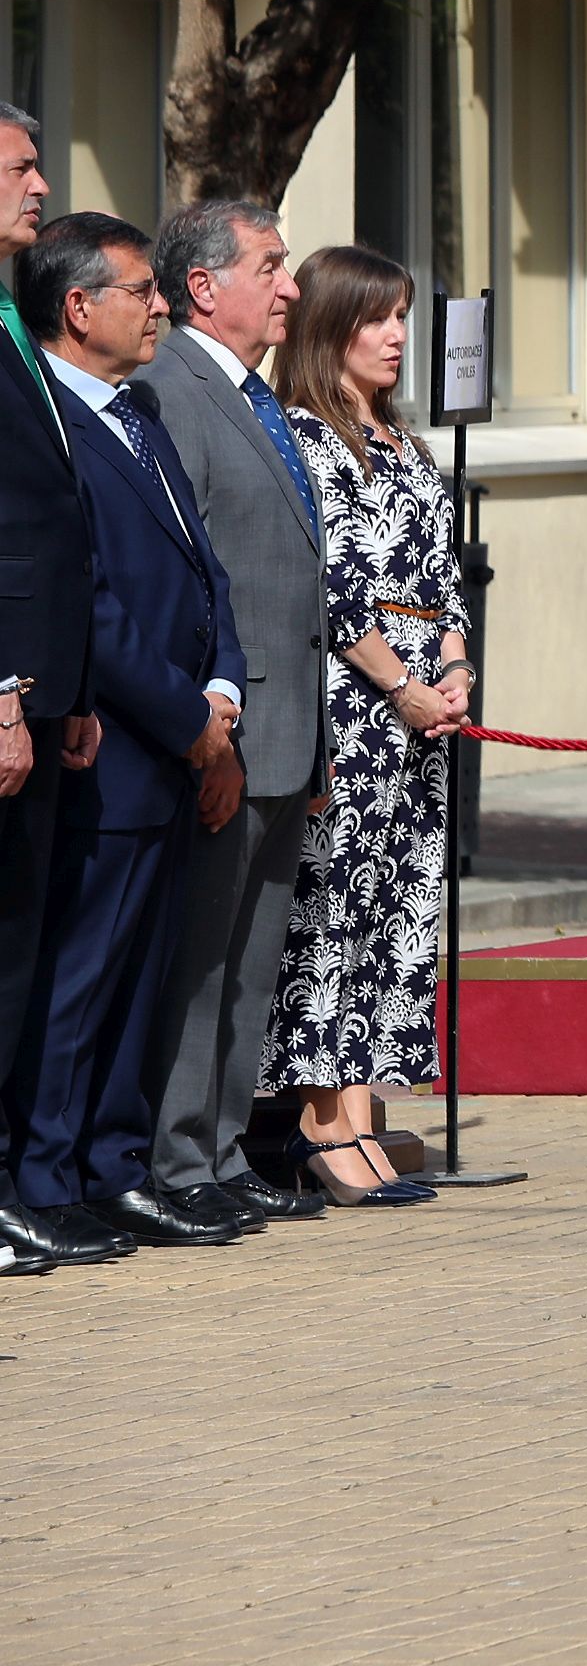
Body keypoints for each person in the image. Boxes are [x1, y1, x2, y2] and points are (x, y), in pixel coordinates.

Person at [3, 215, 248, 1253]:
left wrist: (225, 685)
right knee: (79, 973)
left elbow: (204, 566)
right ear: (78, 306)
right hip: (120, 739)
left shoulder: (139, 410)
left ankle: (112, 1162)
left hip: (184, 737)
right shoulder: (46, 416)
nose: (161, 307)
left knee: (140, 971)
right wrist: (190, 720)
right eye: (143, 290)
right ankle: (47, 1173)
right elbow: (91, 600)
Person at [257, 244, 471, 1216]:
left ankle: (362, 1104)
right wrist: (400, 684)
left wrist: (456, 665)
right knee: (334, 915)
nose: (395, 336)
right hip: (356, 708)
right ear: (329, 327)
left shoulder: (403, 439)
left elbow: (442, 573)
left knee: (396, 915)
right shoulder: (305, 435)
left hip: (422, 716)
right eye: (376, 318)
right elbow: (334, 583)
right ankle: (317, 1117)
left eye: (401, 317)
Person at [134, 200, 334, 1237]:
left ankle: (220, 1147)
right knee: (202, 960)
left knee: (254, 959)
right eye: (271, 265)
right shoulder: (169, 394)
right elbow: (188, 587)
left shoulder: (256, 397)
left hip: (289, 734)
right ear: (204, 285)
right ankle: (177, 1158)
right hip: (224, 737)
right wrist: (205, 727)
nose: (290, 285)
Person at [0, 102, 104, 1275]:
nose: (43, 187)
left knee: (23, 950)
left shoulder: (16, 325)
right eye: (22, 169)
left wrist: (64, 688)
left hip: (44, 695)